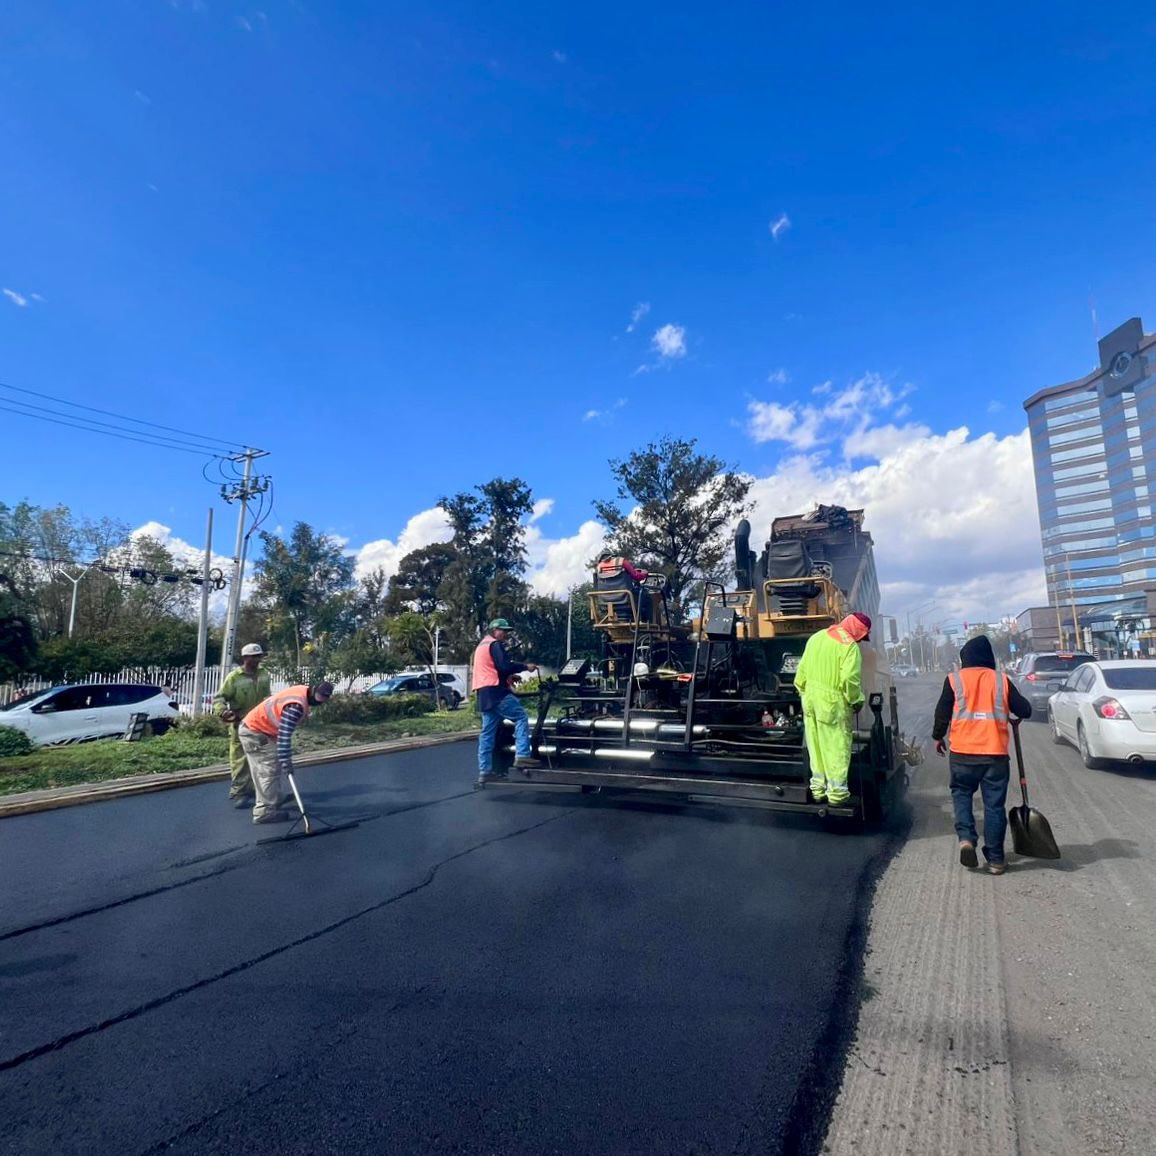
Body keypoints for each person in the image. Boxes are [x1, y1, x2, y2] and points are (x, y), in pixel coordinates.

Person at [932, 635, 1032, 875]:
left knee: (962, 794)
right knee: (994, 806)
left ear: (964, 658)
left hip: (962, 753)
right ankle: (996, 859)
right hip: (994, 755)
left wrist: (938, 737)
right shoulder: (1001, 680)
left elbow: (942, 711)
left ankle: (966, 838)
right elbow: (1025, 710)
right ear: (989, 658)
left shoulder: (954, 680)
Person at [794, 612, 872, 805]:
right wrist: (856, 700)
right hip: (831, 704)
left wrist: (804, 691)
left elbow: (800, 672)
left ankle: (818, 790)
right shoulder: (849, 646)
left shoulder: (816, 637)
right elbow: (850, 680)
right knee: (835, 747)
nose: (861, 641)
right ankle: (837, 795)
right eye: (862, 636)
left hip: (809, 700)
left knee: (816, 746)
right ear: (858, 630)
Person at [237, 681, 334, 824]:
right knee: (267, 769)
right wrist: (286, 761)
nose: (318, 702)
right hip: (255, 732)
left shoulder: (302, 690)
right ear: (313, 692)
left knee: (267, 766)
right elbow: (284, 735)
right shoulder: (296, 707)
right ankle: (264, 811)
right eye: (318, 698)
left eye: (322, 700)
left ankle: (273, 797)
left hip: (256, 729)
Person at [472, 618, 540, 789]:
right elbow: (503, 666)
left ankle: (484, 772)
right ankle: (523, 756)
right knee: (521, 717)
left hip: (484, 694)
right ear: (494, 630)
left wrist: (510, 677)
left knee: (487, 733)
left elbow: (492, 669)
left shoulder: (481, 646)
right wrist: (526, 667)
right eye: (503, 630)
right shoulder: (495, 645)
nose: (506, 634)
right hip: (497, 692)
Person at [213, 643, 272, 808]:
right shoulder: (234, 677)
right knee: (240, 758)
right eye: (254, 656)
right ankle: (239, 792)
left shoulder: (264, 674)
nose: (257, 659)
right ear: (245, 658)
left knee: (261, 757)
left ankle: (257, 789)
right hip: (241, 722)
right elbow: (219, 698)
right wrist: (223, 711)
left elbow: (267, 696)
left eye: (259, 656)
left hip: (260, 723)